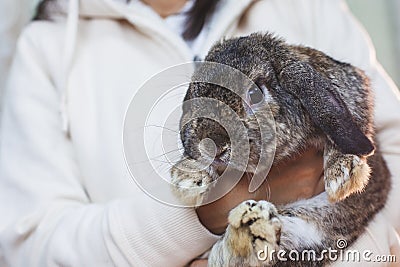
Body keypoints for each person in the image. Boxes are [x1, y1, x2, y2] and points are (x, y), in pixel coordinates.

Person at [0, 0, 399, 266]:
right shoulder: (47, 47)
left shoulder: (301, 6)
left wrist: (345, 253)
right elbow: (32, 244)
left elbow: (390, 144)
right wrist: (204, 213)